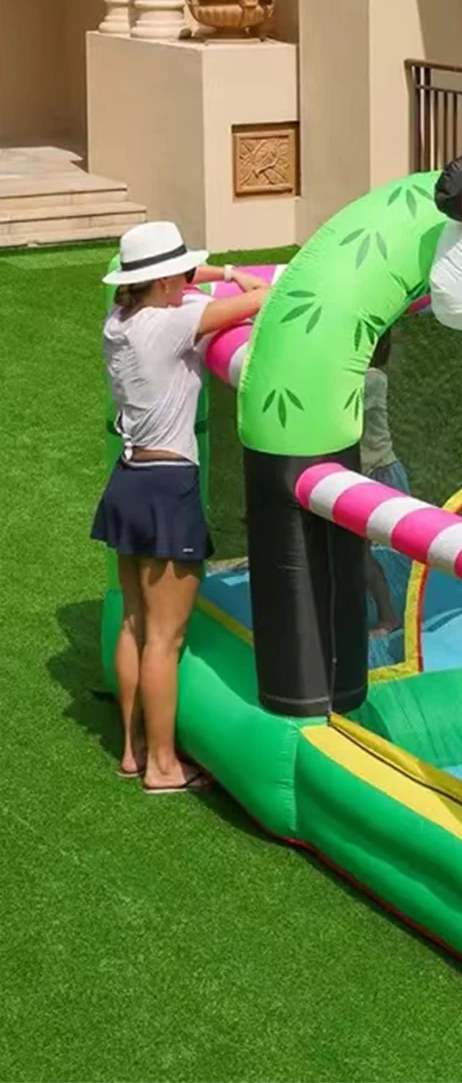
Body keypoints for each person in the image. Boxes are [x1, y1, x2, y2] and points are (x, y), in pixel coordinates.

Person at [92, 221, 270, 794]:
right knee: (165, 639)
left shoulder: (119, 321)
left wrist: (221, 272)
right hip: (168, 487)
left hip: (128, 480)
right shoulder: (171, 324)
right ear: (167, 280)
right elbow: (262, 300)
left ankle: (131, 750)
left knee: (134, 621)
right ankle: (163, 766)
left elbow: (189, 283)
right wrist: (244, 278)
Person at [361, 330, 411, 638]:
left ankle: (389, 616)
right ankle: (382, 612)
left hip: (379, 474)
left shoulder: (372, 379)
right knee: (355, 553)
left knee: (360, 552)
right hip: (358, 475)